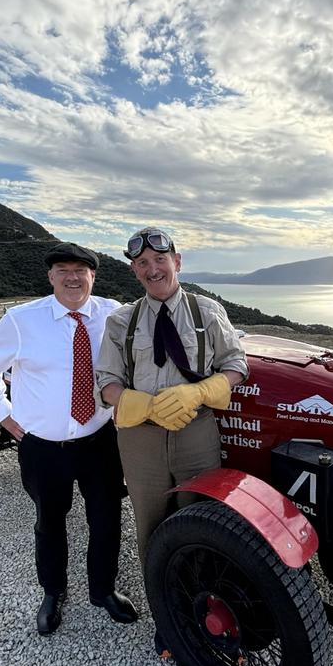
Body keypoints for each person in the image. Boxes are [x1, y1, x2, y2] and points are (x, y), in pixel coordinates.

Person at [0, 242, 138, 636]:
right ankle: (52, 593)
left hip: (99, 441)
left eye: (81, 270)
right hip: (43, 447)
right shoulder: (21, 320)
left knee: (107, 518)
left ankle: (103, 591)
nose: (73, 277)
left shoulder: (112, 313)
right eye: (63, 270)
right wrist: (5, 417)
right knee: (50, 521)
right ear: (50, 277)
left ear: (93, 277)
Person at [97, 226, 248, 571]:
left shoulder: (207, 311)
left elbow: (236, 365)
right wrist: (145, 405)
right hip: (140, 440)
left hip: (196, 434)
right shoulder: (121, 321)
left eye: (160, 259)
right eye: (143, 263)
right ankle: (164, 609)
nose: (153, 269)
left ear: (177, 261)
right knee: (150, 525)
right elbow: (106, 383)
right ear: (134, 270)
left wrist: (200, 391)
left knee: (201, 522)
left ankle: (199, 602)